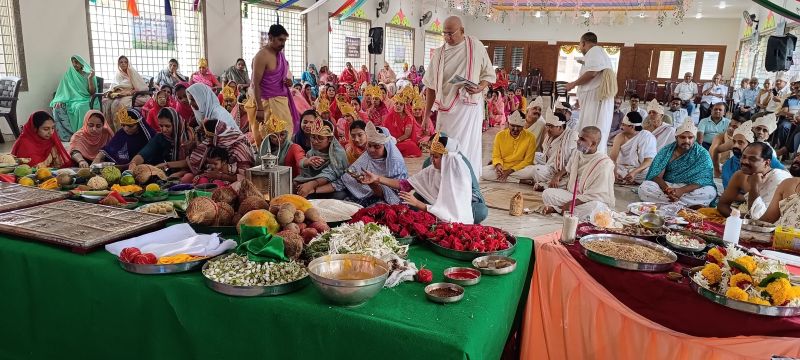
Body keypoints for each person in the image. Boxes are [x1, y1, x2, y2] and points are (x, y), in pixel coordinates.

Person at [422, 16, 495, 178]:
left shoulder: (476, 46)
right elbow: (430, 86)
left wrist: (480, 87)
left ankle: (467, 180)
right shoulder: (439, 54)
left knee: (467, 146)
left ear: (462, 30)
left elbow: (488, 74)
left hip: (469, 108)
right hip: (446, 109)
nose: (447, 37)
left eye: (451, 33)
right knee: (445, 145)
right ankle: (446, 178)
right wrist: (426, 115)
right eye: (444, 33)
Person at [361, 132, 487, 224]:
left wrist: (419, 204)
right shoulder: (431, 169)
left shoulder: (458, 175)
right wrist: (377, 178)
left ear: (447, 159)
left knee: (480, 211)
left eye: (435, 157)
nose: (431, 160)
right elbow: (405, 184)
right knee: (410, 205)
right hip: (434, 208)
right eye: (431, 155)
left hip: (454, 215)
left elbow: (450, 214)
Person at [638, 121, 716, 207]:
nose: (686, 141)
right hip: (668, 185)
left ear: (694, 138)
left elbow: (704, 179)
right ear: (676, 137)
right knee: (644, 187)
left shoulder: (702, 154)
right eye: (682, 137)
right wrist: (667, 189)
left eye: (690, 137)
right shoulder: (666, 151)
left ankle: (669, 202)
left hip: (690, 188)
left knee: (710, 192)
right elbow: (657, 176)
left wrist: (681, 191)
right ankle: (684, 204)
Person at [542, 126, 615, 219]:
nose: (578, 141)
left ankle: (558, 209)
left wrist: (571, 203)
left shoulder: (604, 164)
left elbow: (597, 195)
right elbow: (568, 168)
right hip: (573, 195)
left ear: (593, 144)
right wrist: (557, 176)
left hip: (591, 200)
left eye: (582, 139)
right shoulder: (577, 153)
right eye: (579, 137)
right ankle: (569, 211)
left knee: (596, 207)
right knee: (547, 193)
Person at [248, 24, 300, 148]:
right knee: (270, 135)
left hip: (281, 101)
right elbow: (256, 84)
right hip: (267, 103)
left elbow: (280, 77)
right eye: (280, 40)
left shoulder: (280, 55)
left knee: (285, 132)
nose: (283, 44)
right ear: (271, 37)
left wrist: (288, 82)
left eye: (284, 41)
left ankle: (284, 156)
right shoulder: (262, 56)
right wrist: (260, 109)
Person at [565, 32, 617, 152]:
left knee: (590, 128)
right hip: (594, 99)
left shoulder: (594, 51)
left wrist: (573, 84)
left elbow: (592, 73)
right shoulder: (599, 52)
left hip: (595, 100)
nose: (580, 48)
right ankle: (588, 154)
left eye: (580, 45)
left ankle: (589, 154)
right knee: (590, 126)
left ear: (583, 43)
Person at [338, 122, 408, 206]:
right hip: (370, 195)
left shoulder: (396, 162)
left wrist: (374, 181)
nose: (371, 150)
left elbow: (398, 192)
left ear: (386, 146)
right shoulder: (366, 156)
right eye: (369, 145)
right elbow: (347, 178)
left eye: (377, 147)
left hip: (392, 200)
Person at [717, 142, 792, 218]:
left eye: (752, 159)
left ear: (766, 163)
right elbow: (722, 205)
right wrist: (739, 218)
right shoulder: (741, 175)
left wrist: (754, 186)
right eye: (743, 157)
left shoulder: (779, 179)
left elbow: (762, 218)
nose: (745, 161)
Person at [184, 119, 254, 184]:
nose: (207, 140)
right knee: (198, 180)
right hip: (220, 178)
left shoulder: (239, 148)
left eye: (209, 137)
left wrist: (219, 176)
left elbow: (246, 177)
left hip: (239, 182)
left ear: (217, 136)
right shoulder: (217, 145)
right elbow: (203, 163)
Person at [128, 108, 191, 178]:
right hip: (169, 172)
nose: (164, 129)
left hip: (191, 170)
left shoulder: (189, 137)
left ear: (176, 123)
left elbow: (191, 161)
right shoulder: (160, 137)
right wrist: (133, 163)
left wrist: (167, 165)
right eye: (161, 126)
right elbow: (145, 152)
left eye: (167, 126)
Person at [721, 119, 785, 189]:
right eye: (734, 142)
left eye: (740, 142)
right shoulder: (727, 165)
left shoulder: (765, 157)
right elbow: (730, 192)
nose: (735, 146)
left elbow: (785, 173)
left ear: (750, 144)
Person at [294, 119, 348, 199]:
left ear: (330, 139)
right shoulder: (310, 153)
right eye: (313, 137)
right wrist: (307, 162)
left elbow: (332, 173)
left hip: (331, 188)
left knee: (340, 195)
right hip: (312, 187)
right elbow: (305, 175)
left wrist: (311, 185)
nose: (315, 141)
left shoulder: (338, 153)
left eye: (320, 138)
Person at [50, 55, 98, 141]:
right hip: (71, 100)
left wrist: (90, 79)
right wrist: (60, 100)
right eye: (73, 62)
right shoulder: (68, 75)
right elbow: (63, 90)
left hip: (86, 99)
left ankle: (82, 134)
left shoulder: (88, 75)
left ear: (81, 63)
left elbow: (92, 92)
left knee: (80, 107)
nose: (74, 64)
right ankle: (67, 136)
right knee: (57, 107)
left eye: (76, 62)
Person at [525, 111, 577, 190]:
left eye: (551, 126)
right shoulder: (551, 135)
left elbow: (573, 161)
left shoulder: (572, 136)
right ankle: (546, 181)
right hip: (550, 165)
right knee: (533, 155)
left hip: (564, 171)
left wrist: (557, 175)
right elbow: (545, 153)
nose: (548, 129)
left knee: (536, 170)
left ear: (560, 127)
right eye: (547, 126)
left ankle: (548, 184)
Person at [481, 110, 536, 183]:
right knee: (483, 172)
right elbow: (496, 156)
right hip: (504, 166)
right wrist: (498, 165)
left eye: (518, 126)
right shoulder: (500, 136)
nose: (515, 129)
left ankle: (509, 177)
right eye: (512, 125)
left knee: (533, 171)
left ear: (523, 125)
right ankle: (519, 180)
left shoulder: (531, 137)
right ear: (508, 123)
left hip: (521, 168)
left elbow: (528, 161)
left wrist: (509, 171)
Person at [610, 112, 657, 185]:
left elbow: (648, 161)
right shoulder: (619, 137)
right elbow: (612, 158)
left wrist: (634, 172)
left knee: (650, 172)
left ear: (632, 127)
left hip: (640, 170)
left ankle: (628, 178)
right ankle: (624, 178)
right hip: (622, 168)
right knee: (606, 167)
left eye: (623, 125)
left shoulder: (647, 137)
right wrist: (614, 172)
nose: (621, 127)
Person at [103, 56, 149, 130]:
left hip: (130, 94)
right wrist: (114, 92)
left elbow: (140, 86)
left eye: (125, 62)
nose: (123, 64)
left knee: (118, 104)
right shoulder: (118, 74)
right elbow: (113, 86)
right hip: (119, 94)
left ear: (128, 63)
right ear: (118, 64)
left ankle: (121, 128)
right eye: (121, 62)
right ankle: (111, 130)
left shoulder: (132, 72)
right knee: (106, 102)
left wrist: (130, 92)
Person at [759, 154, 800, 228]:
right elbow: (767, 219)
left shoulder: (786, 181)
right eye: (798, 155)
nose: (797, 159)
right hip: (781, 234)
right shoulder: (788, 183)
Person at [774, 74, 800, 159]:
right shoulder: (789, 99)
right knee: (784, 126)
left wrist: (796, 117)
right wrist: (794, 116)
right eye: (796, 87)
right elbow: (783, 112)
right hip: (789, 120)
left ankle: (785, 150)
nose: (798, 89)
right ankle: (783, 149)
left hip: (797, 120)